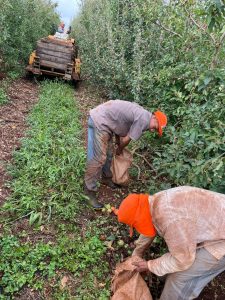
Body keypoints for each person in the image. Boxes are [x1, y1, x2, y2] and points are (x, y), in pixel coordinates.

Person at [114, 186, 225, 300]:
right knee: (172, 266)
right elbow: (149, 229)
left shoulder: (172, 221)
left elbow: (183, 261)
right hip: (216, 224)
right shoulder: (155, 202)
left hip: (222, 243)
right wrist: (137, 254)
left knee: (180, 277)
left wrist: (150, 265)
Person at [84, 100, 167, 209]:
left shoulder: (143, 115)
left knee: (109, 154)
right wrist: (120, 148)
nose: (153, 130)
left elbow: (120, 127)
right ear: (154, 118)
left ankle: (106, 178)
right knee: (98, 158)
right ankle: (89, 193)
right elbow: (126, 140)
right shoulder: (143, 119)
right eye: (156, 127)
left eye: (156, 130)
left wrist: (118, 145)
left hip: (105, 121)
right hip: (100, 121)